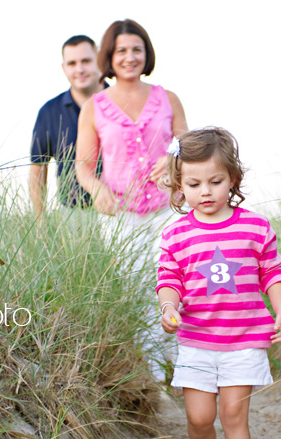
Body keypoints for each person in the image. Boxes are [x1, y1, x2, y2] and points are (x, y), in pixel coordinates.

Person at [157, 128, 281, 439]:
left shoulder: (255, 227)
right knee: (199, 417)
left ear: (232, 178)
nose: (206, 192)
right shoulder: (176, 235)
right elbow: (169, 281)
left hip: (244, 338)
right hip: (197, 339)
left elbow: (272, 273)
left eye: (215, 181)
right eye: (194, 184)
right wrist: (168, 308)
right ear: (180, 186)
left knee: (233, 414)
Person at [76, 19, 188, 381]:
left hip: (168, 209)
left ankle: (185, 366)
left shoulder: (167, 98)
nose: (129, 57)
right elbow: (83, 167)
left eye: (136, 49)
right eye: (121, 50)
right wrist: (97, 190)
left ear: (146, 53)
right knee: (136, 288)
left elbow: (186, 144)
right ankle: (153, 377)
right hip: (120, 215)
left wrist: (171, 158)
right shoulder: (94, 106)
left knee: (175, 282)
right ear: (110, 56)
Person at [28, 35, 104, 216]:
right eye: (72, 63)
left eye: (86, 61)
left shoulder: (121, 103)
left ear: (100, 60)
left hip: (123, 210)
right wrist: (40, 221)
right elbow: (38, 167)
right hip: (73, 212)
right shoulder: (49, 112)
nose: (80, 69)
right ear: (64, 68)